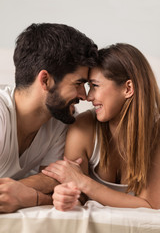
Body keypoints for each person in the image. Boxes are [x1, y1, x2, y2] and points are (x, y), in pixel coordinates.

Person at [42, 43, 160, 211]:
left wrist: (84, 182)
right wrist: (66, 197)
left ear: (128, 88)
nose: (88, 97)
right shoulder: (83, 127)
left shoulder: (156, 132)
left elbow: (152, 205)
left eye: (95, 86)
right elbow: (78, 194)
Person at [0, 23, 98, 213]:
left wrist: (24, 194)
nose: (84, 96)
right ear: (45, 80)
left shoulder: (60, 121)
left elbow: (57, 178)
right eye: (79, 83)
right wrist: (37, 197)